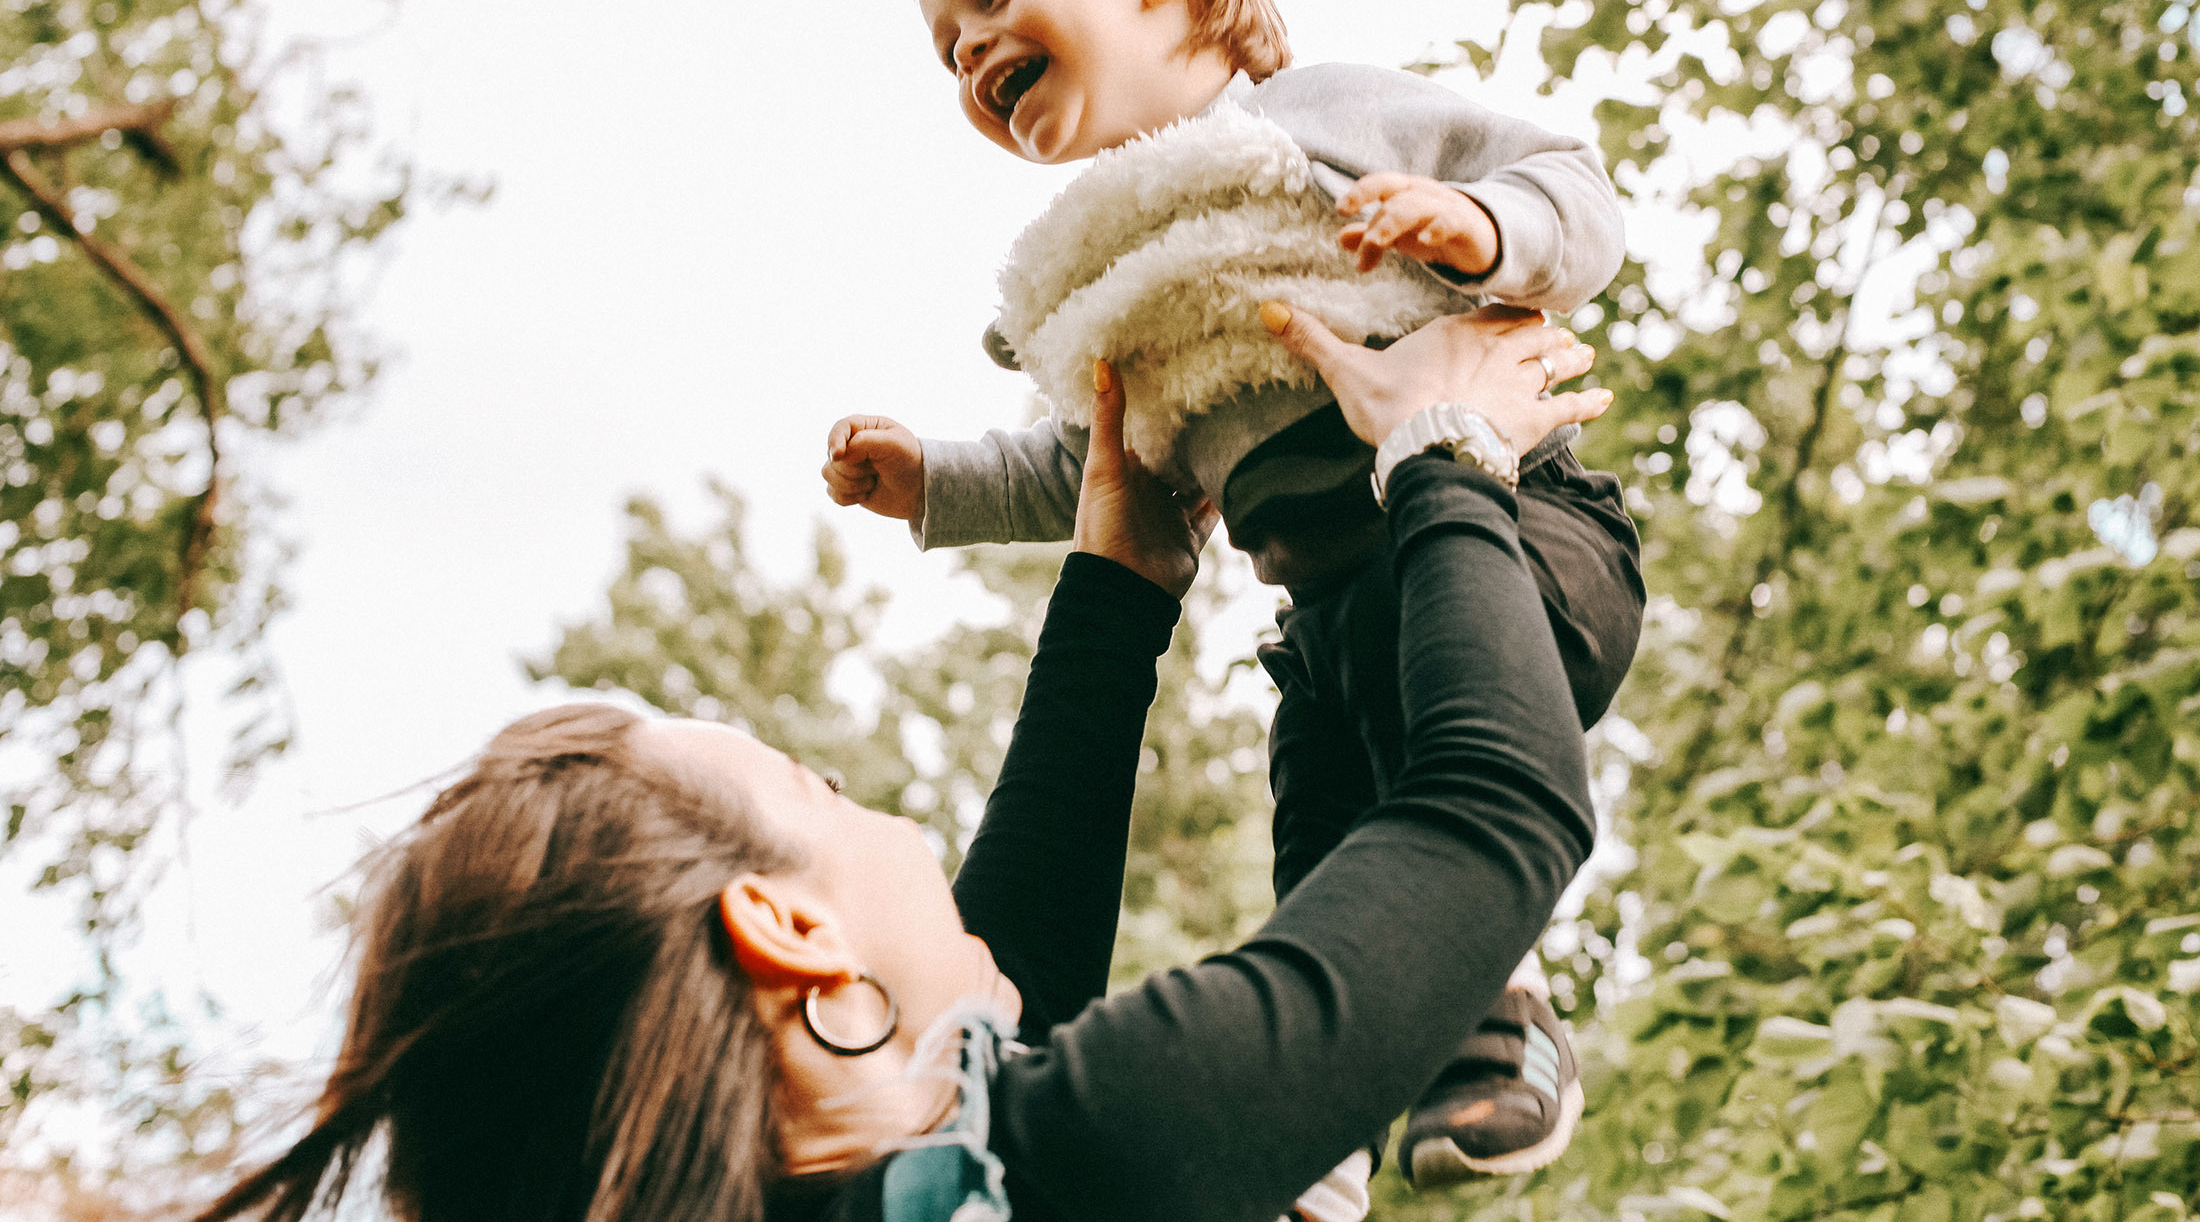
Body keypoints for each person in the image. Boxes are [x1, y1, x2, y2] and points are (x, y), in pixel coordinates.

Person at [198, 305, 1611, 1222]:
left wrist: (1123, 584)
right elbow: (1490, 817)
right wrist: (1441, 448)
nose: (863, 804)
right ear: (788, 927)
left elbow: (1011, 1008)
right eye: (811, 788)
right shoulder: (1096, 1164)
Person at [820, 0, 1643, 1182]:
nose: (969, 51)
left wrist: (1482, 231)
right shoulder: (1111, 270)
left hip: (1524, 529)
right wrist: (933, 485)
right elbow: (1096, 471)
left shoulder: (1320, 116)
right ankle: (1323, 1149)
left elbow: (1575, 183)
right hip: (1325, 622)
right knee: (1329, 874)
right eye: (946, 46)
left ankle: (1498, 1032)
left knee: (1430, 804)